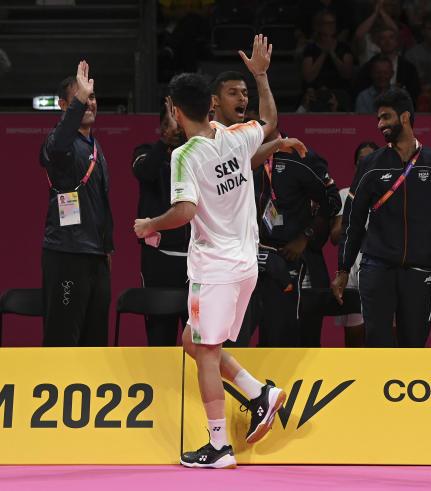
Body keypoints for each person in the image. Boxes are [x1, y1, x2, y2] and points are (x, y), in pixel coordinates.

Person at [134, 35, 298, 469]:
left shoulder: (184, 155)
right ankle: (260, 393)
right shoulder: (233, 136)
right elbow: (269, 121)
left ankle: (219, 447)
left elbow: (186, 210)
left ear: (174, 108)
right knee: (192, 339)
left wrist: (150, 224)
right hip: (246, 266)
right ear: (209, 104)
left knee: (205, 351)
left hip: (215, 267)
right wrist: (261, 76)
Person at [333, 89, 431, 348]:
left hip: (418, 270)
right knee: (377, 343)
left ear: (405, 117)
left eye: (386, 117)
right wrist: (343, 269)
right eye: (379, 119)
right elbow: (352, 222)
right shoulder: (371, 164)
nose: (380, 124)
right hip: (376, 268)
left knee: (413, 344)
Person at [39, 60, 113, 347]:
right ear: (63, 105)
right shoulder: (58, 143)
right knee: (63, 339)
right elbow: (57, 147)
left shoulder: (94, 146)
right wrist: (79, 100)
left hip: (97, 257)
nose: (90, 103)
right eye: (82, 98)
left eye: (92, 97)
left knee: (95, 341)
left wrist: (106, 252)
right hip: (67, 254)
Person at [249, 125, 340, 347]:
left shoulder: (300, 155)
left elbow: (332, 201)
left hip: (291, 257)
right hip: (253, 258)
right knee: (256, 335)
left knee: (292, 334)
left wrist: (305, 236)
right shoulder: (245, 155)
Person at [130, 99, 189, 345]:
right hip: (158, 261)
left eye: (178, 121)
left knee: (198, 340)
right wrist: (166, 141)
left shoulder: (198, 153)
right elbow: (145, 172)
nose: (173, 127)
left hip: (196, 263)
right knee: (159, 339)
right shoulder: (145, 151)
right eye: (167, 122)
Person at [329, 141, 378, 347]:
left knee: (387, 342)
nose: (366, 166)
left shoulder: (392, 194)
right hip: (353, 278)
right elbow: (334, 237)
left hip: (385, 277)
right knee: (355, 343)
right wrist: (356, 207)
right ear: (356, 166)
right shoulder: (345, 194)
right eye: (361, 162)